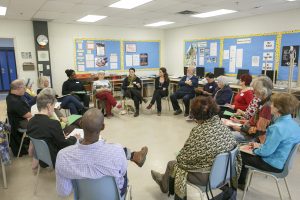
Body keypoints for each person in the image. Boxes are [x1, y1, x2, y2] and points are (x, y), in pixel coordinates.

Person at [151, 96, 240, 200]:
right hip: (227, 171)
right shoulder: (223, 127)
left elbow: (182, 160)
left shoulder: (199, 132)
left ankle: (163, 184)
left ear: (195, 115)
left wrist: (180, 155)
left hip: (207, 177)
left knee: (172, 164)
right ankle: (163, 180)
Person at [55, 108, 148, 197]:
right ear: (103, 127)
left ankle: (135, 156)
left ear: (80, 123)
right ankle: (134, 156)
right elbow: (122, 173)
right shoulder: (117, 150)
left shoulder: (63, 156)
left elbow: (64, 192)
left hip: (84, 197)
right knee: (121, 170)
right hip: (114, 196)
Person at [238, 93, 300, 190]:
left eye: (273, 104)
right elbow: (278, 146)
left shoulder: (277, 128)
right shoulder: (295, 125)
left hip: (271, 164)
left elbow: (266, 152)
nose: (270, 105)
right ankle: (240, 183)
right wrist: (258, 146)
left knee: (238, 154)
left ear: (278, 108)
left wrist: (254, 150)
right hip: (283, 162)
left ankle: (238, 184)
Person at [27, 92, 79, 167]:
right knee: (78, 142)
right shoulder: (53, 123)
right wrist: (74, 138)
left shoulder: (30, 121)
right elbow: (64, 144)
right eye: (53, 106)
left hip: (42, 158)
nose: (54, 109)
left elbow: (42, 135)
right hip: (55, 157)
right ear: (48, 106)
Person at [231, 76, 273, 143]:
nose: (253, 92)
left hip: (251, 137)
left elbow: (259, 131)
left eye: (255, 89)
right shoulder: (264, 102)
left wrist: (241, 128)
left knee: (224, 136)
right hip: (248, 131)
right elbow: (254, 122)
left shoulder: (267, 107)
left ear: (261, 91)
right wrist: (241, 122)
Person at [6, 79, 32, 157]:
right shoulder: (15, 101)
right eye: (24, 88)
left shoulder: (10, 96)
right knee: (42, 122)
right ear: (18, 88)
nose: (25, 89)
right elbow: (28, 115)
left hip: (17, 121)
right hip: (19, 124)